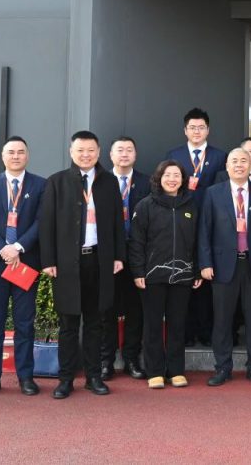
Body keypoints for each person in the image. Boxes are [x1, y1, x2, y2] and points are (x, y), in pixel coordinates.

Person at [40, 131, 125, 399]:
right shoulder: (57, 182)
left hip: (99, 260)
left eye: (90, 150)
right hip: (67, 263)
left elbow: (117, 222)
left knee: (95, 322)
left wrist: (118, 256)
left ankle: (93, 377)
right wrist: (48, 260)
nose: (86, 155)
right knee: (68, 323)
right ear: (71, 152)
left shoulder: (109, 182)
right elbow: (46, 224)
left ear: (98, 152)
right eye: (80, 150)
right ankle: (65, 379)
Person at [0, 136, 46, 399]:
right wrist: (3, 248)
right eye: (11, 152)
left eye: (20, 152)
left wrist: (18, 247)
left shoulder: (40, 185)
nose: (16, 156)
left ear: (27, 155)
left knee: (25, 323)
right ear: (3, 156)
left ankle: (25, 376)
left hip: (25, 262)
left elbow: (41, 220)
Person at [199, 148, 251, 386]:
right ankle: (222, 367)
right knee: (222, 320)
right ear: (227, 166)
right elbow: (204, 230)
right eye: (234, 161)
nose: (239, 165)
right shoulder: (213, 193)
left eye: (243, 161)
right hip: (222, 266)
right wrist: (205, 262)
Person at [130, 161, 202, 389]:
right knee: (152, 325)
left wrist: (197, 269)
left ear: (183, 179)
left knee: (177, 324)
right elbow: (136, 242)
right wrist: (138, 271)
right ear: (159, 178)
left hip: (182, 275)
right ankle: (154, 371)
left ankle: (176, 370)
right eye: (167, 175)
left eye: (176, 175)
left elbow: (198, 240)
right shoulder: (145, 205)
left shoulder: (191, 205)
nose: (172, 179)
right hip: (152, 275)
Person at [165, 107, 226, 347]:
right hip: (181, 222)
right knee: (183, 276)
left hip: (211, 222)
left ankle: (206, 331)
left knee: (207, 278)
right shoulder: (174, 155)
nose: (197, 131)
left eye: (201, 127)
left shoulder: (220, 156)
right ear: (185, 130)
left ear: (208, 130)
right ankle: (186, 332)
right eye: (192, 127)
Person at [100, 136, 151, 381]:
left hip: (138, 253)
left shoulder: (147, 182)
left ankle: (131, 358)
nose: (124, 154)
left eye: (129, 150)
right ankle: (106, 360)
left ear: (135, 155)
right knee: (106, 308)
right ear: (110, 155)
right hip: (107, 254)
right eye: (119, 150)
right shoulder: (100, 182)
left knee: (135, 309)